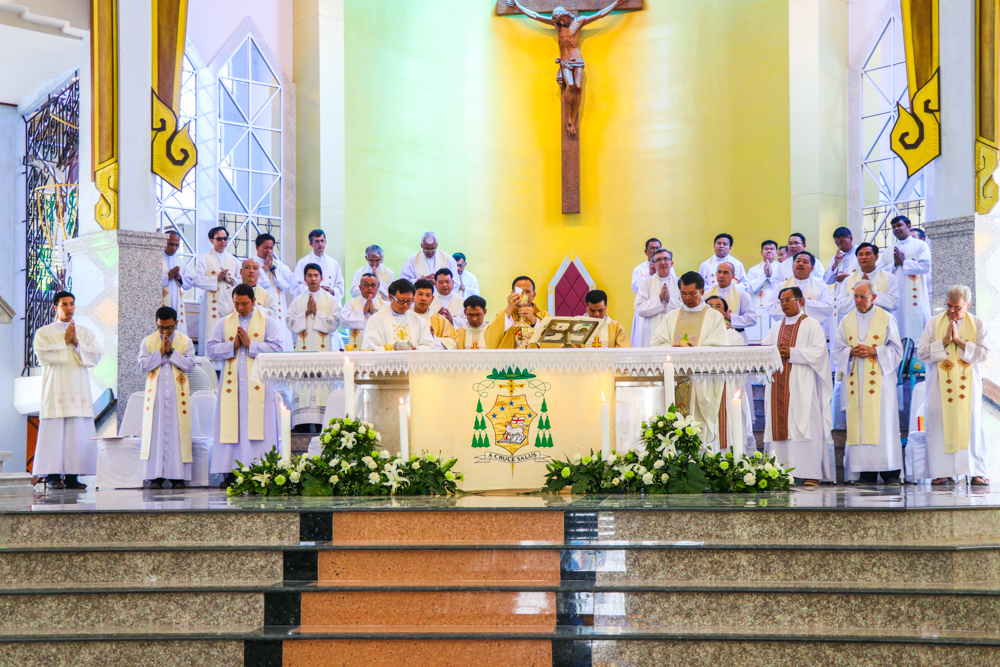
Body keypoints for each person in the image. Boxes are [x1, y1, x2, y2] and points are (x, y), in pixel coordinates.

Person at [207, 284, 285, 487]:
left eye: (244, 304)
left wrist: (252, 344)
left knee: (258, 425)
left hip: (258, 385)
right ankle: (230, 472)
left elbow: (278, 349)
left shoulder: (268, 322)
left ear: (254, 301)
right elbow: (211, 350)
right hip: (231, 387)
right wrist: (232, 345)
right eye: (236, 304)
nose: (240, 308)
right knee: (231, 425)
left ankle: (259, 470)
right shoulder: (223, 323)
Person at [917, 285, 991, 486]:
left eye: (957, 307)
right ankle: (941, 472)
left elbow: (984, 354)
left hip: (969, 388)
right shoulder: (934, 323)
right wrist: (943, 341)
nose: (951, 311)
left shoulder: (978, 324)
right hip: (938, 387)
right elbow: (921, 353)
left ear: (968, 305)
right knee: (939, 424)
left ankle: (975, 471)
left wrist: (960, 342)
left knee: (972, 425)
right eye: (948, 306)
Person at [833, 282, 904, 484]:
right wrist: (850, 352)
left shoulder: (886, 318)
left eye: (862, 297)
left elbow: (897, 350)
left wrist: (875, 351)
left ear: (873, 297)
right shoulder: (846, 320)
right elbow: (837, 350)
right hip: (856, 382)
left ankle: (889, 472)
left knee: (884, 426)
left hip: (881, 383)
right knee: (861, 426)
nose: (858, 301)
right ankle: (865, 473)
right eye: (855, 296)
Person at [763, 287, 834, 486]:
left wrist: (791, 353)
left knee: (807, 425)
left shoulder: (812, 325)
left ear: (800, 300)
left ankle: (810, 473)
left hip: (804, 386)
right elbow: (764, 350)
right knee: (780, 427)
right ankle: (779, 473)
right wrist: (775, 353)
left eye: (788, 299)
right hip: (778, 385)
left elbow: (819, 353)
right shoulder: (775, 328)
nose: (784, 304)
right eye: (781, 301)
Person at [32, 291, 103, 490]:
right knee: (54, 434)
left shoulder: (84, 332)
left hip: (78, 389)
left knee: (77, 433)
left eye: (72, 304)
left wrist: (76, 342)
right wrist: (64, 341)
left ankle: (72, 477)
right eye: (64, 304)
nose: (69, 308)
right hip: (55, 389)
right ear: (56, 307)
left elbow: (96, 355)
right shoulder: (44, 332)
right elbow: (42, 355)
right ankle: (53, 477)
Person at [651, 271, 728, 444]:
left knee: (698, 428)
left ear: (702, 291)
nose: (687, 298)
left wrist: (695, 351)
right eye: (683, 294)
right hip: (675, 379)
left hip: (700, 381)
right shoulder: (671, 316)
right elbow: (657, 343)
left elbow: (719, 348)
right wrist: (672, 348)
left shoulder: (714, 317)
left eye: (692, 294)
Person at [138, 306, 196, 489]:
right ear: (156, 323)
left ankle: (178, 477)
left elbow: (190, 365)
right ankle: (156, 476)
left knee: (178, 433)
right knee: (156, 432)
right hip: (156, 395)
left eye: (169, 328)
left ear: (176, 323)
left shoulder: (185, 341)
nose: (165, 332)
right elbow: (142, 365)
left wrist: (171, 352)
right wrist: (160, 353)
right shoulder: (148, 341)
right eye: (161, 328)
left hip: (178, 395)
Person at [287, 264, 343, 429]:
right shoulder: (297, 300)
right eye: (309, 275)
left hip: (323, 355)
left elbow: (335, 323)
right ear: (304, 278)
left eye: (316, 275)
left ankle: (323, 423)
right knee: (304, 389)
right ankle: (303, 424)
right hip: (304, 355)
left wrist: (316, 313)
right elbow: (290, 322)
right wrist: (306, 312)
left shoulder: (331, 300)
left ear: (321, 277)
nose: (313, 279)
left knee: (322, 389)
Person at [706, 296, 756, 455]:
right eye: (709, 306)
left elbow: (741, 367)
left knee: (730, 427)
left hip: (729, 388)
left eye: (718, 306)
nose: (714, 309)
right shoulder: (700, 335)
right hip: (705, 388)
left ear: (727, 312)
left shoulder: (734, 336)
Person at [879, 215, 932, 343]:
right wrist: (895, 264)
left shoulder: (921, 245)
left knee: (918, 333)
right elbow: (880, 272)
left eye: (899, 225)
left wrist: (904, 262)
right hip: (896, 296)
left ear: (908, 226)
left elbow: (925, 266)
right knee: (897, 330)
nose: (896, 229)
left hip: (916, 297)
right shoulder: (889, 250)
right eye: (894, 227)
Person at [192, 226, 239, 354]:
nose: (223, 241)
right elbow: (195, 279)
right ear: (211, 240)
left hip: (229, 302)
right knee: (210, 330)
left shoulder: (234, 260)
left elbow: (240, 280)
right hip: (210, 303)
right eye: (219, 239)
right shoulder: (205, 258)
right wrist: (216, 279)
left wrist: (230, 280)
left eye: (225, 238)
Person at [362, 279, 437, 350]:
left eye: (409, 301)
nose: (405, 304)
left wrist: (416, 349)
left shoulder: (419, 321)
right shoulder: (376, 320)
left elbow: (429, 346)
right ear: (390, 297)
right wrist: (394, 351)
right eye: (401, 301)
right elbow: (370, 347)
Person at [254, 233, 297, 351]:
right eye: (265, 248)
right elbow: (254, 283)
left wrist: (272, 268)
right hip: (262, 308)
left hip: (278, 310)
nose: (269, 251)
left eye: (271, 248)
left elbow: (287, 283)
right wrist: (265, 268)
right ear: (257, 247)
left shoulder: (279, 264)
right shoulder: (252, 263)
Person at [484, 276, 552, 348]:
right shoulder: (504, 315)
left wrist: (534, 322)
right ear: (512, 294)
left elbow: (553, 343)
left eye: (528, 292)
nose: (524, 295)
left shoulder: (544, 316)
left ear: (534, 295)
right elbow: (490, 339)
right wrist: (509, 310)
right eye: (520, 291)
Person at [766, 252, 834, 324]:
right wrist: (792, 304)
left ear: (812, 268)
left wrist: (806, 302)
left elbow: (828, 308)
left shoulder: (821, 287)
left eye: (805, 262)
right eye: (798, 261)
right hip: (788, 326)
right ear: (792, 266)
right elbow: (771, 308)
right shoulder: (780, 286)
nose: (801, 264)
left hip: (812, 327)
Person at [835, 243, 898, 320]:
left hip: (881, 322)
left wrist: (870, 291)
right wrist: (858, 293)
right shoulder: (848, 280)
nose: (864, 257)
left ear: (876, 257)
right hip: (855, 322)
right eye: (860, 255)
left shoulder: (889, 278)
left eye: (868, 254)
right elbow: (841, 307)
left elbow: (894, 304)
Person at [632, 248, 679, 347]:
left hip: (673, 329)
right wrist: (659, 300)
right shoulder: (646, 283)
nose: (662, 262)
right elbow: (639, 308)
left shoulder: (680, 283)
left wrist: (669, 300)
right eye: (658, 260)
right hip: (651, 330)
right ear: (653, 265)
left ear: (671, 263)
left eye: (665, 259)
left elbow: (685, 308)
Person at [705, 262, 755, 341]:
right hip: (711, 336)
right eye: (719, 272)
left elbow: (752, 319)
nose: (721, 275)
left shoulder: (743, 295)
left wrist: (730, 317)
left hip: (735, 337)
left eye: (725, 272)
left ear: (733, 276)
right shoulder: (706, 295)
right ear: (716, 274)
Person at [294, 229, 345, 304]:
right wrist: (315, 290)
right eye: (317, 241)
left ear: (325, 242)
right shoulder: (303, 263)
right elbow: (296, 287)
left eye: (322, 241)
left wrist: (332, 291)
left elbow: (340, 285)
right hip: (309, 303)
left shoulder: (333, 263)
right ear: (311, 244)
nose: (320, 244)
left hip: (329, 302)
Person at [340, 273, 388, 349]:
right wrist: (363, 311)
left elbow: (388, 323)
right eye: (366, 285)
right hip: (357, 348)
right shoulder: (351, 303)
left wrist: (374, 312)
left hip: (378, 346)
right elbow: (343, 321)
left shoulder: (385, 305)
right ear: (360, 287)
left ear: (378, 287)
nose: (370, 288)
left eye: (373, 285)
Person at [162, 232, 193, 337]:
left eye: (177, 245)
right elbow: (149, 281)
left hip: (176, 305)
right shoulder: (156, 258)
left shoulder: (180, 261)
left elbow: (189, 283)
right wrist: (167, 277)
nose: (174, 248)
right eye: (171, 244)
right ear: (164, 242)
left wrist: (179, 278)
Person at [412, 279, 458, 349]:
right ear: (412, 296)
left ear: (432, 298)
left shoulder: (440, 320)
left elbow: (454, 342)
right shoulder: (405, 316)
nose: (424, 298)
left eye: (428, 295)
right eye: (420, 294)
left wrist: (433, 338)